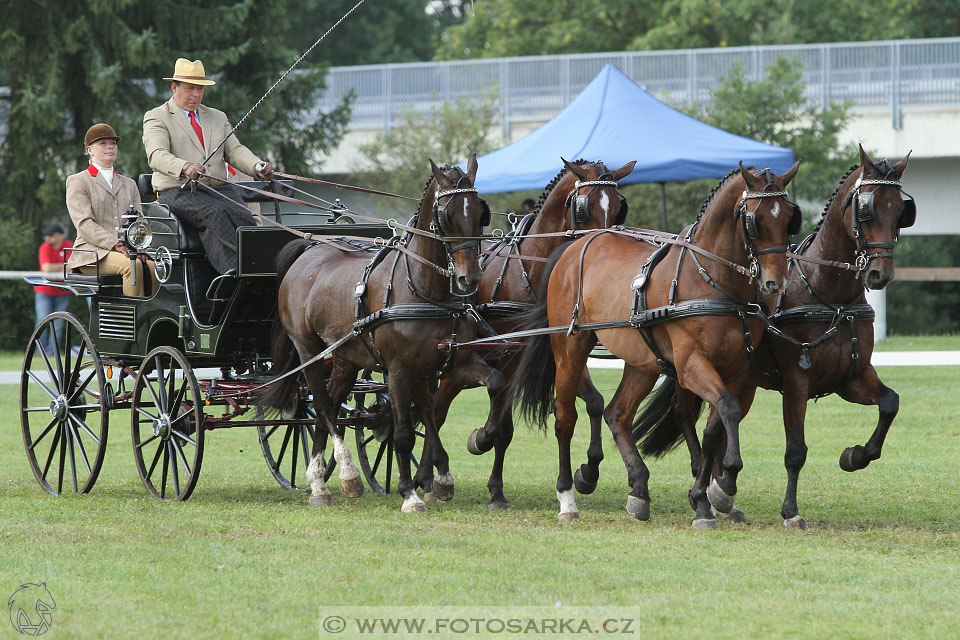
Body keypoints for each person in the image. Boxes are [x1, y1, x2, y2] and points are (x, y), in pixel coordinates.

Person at [143, 58, 274, 274]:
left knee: (244, 215)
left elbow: (235, 150)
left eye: (200, 89)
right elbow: (156, 155)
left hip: (217, 189)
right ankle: (233, 276)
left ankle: (259, 270)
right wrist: (184, 166)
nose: (195, 94)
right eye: (190, 88)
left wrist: (257, 166)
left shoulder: (216, 117)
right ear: (174, 87)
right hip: (178, 191)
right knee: (218, 213)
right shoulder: (157, 116)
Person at [66, 123, 159, 297]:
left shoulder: (129, 184)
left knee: (156, 266)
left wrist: (142, 245)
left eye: (113, 143)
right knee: (133, 266)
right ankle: (132, 322)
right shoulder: (78, 181)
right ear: (90, 150)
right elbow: (85, 224)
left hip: (128, 249)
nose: (110, 146)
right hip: (92, 252)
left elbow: (140, 221)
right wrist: (115, 244)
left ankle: (152, 321)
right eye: (103, 143)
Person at [34, 224, 73, 353]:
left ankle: (52, 352)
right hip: (44, 290)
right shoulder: (45, 247)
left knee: (58, 324)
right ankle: (40, 351)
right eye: (47, 236)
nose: (48, 238)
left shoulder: (69, 245)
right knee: (42, 320)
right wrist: (63, 266)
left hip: (62, 290)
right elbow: (47, 268)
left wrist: (56, 267)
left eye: (51, 235)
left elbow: (72, 267)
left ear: (60, 235)